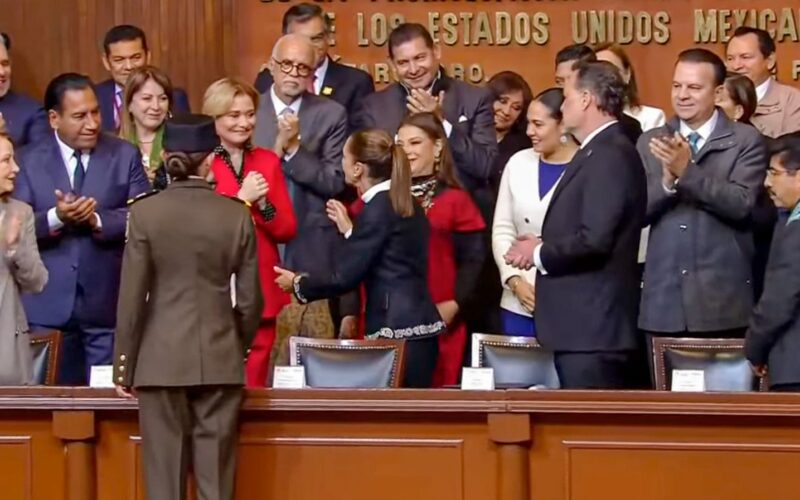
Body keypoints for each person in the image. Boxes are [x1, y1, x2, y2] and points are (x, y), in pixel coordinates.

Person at [114, 113, 262, 500]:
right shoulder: (235, 215)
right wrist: (236, 346)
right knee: (216, 484)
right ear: (211, 159)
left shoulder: (145, 213)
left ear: (165, 158)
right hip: (219, 358)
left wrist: (124, 365)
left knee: (165, 485)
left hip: (159, 361)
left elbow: (132, 296)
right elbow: (249, 301)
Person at [504, 62, 647, 389]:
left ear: (585, 99)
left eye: (566, 96)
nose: (563, 104)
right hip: (583, 330)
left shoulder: (610, 154)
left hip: (594, 331)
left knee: (590, 436)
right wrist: (543, 241)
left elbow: (596, 239)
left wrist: (539, 252)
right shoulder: (597, 150)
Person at [275, 129, 445, 388]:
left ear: (357, 169)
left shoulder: (378, 207)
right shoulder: (403, 201)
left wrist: (298, 283)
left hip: (395, 329)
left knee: (393, 423)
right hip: (417, 328)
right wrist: (351, 232)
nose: (340, 162)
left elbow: (345, 276)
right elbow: (389, 256)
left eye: (344, 156)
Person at [14, 73, 150, 385]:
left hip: (106, 309)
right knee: (47, 414)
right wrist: (56, 217)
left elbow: (143, 216)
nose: (91, 123)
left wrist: (97, 220)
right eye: (79, 116)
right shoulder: (28, 160)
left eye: (95, 112)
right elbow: (12, 227)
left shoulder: (123, 155)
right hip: (46, 310)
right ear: (54, 118)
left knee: (109, 411)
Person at [638, 49, 766, 345]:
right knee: (664, 390)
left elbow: (741, 204)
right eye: (677, 86)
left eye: (694, 87)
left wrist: (687, 172)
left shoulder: (745, 140)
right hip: (663, 302)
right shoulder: (650, 141)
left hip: (722, 302)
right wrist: (668, 183)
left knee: (725, 391)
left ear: (718, 92)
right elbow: (635, 212)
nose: (682, 95)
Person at [252, 33, 356, 337]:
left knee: (310, 344)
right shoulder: (247, 110)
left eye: (303, 68)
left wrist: (296, 149)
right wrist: (277, 148)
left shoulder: (331, 114)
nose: (294, 74)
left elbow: (334, 180)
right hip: (258, 237)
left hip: (311, 243)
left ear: (313, 73)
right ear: (271, 66)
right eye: (287, 65)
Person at [204, 77, 297, 387]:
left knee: (255, 378)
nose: (244, 123)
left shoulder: (267, 160)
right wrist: (242, 199)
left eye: (249, 114)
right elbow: (202, 226)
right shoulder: (202, 163)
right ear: (214, 118)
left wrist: (262, 204)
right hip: (213, 281)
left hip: (259, 280)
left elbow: (286, 228)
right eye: (234, 115)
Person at [353, 23, 497, 221]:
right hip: (395, 220)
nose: (413, 69)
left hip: (460, 219)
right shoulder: (374, 107)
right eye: (403, 62)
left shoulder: (474, 98)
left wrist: (442, 122)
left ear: (436, 51)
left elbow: (485, 166)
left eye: (420, 58)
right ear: (392, 64)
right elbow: (370, 173)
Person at [396, 112, 485, 387]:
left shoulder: (456, 199)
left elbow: (475, 259)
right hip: (391, 318)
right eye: (400, 145)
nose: (407, 151)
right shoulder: (383, 197)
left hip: (440, 317)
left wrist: (455, 303)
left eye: (414, 143)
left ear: (437, 147)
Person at [492, 88, 577, 337]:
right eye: (528, 123)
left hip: (569, 302)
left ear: (562, 125)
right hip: (517, 299)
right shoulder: (518, 162)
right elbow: (503, 229)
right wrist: (514, 281)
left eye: (538, 124)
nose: (529, 131)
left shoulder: (587, 165)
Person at [254, 3, 374, 133]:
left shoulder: (356, 82)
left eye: (316, 39)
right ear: (285, 39)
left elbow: (361, 141)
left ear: (328, 38)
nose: (308, 47)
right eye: (300, 39)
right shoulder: (266, 80)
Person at [745, 136, 800, 391]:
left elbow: (779, 301)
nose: (766, 183)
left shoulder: (797, 231)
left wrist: (755, 348)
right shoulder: (787, 221)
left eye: (774, 173)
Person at [0, 124, 48, 385]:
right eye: (6, 161)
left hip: (7, 352)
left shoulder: (20, 213)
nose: (16, 169)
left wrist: (14, 248)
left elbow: (37, 282)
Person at [97, 25, 190, 133]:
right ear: (106, 62)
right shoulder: (94, 97)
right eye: (119, 60)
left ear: (148, 56)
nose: (129, 66)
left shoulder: (175, 97)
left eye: (136, 58)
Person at [553, 43, 643, 146]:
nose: (564, 88)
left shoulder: (626, 128)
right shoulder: (549, 121)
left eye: (570, 80)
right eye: (559, 82)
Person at [726, 26, 800, 138]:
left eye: (745, 57)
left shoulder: (792, 101)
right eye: (730, 58)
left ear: (770, 61)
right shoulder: (714, 98)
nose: (736, 66)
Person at [119, 65, 173, 186]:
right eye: (147, 98)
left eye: (163, 99)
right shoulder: (114, 147)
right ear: (129, 104)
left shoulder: (180, 143)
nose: (156, 106)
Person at [593, 42, 666, 131]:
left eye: (613, 70)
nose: (606, 77)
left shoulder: (652, 118)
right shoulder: (582, 120)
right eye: (599, 72)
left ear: (627, 74)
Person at [0, 32, 49, 148]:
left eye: (5, 64)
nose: (2, 72)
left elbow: (41, 159)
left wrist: (4, 138)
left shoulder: (31, 112)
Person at [487, 71, 533, 192]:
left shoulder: (525, 147)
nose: (507, 111)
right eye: (503, 101)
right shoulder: (468, 136)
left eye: (516, 108)